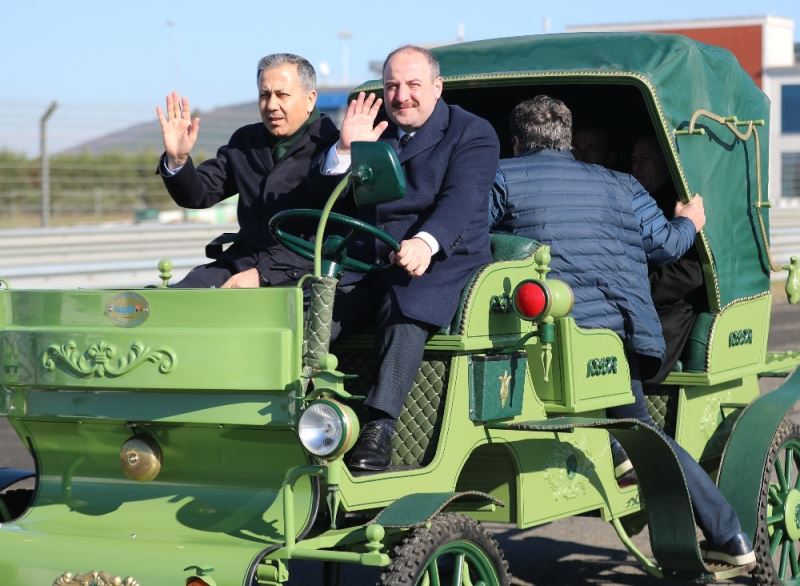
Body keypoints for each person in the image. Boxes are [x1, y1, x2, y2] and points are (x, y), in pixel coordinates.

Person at [489, 95, 755, 568]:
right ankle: (730, 535)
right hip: (610, 342)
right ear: (569, 142)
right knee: (645, 432)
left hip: (533, 343)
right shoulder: (622, 185)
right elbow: (669, 246)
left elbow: (470, 243)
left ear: (515, 141)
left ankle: (616, 448)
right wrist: (689, 220)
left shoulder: (502, 178)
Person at [321, 45, 500, 471]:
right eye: (392, 86)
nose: (402, 96)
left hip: (442, 257)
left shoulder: (471, 132)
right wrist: (346, 149)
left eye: (413, 85)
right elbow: (329, 200)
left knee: (404, 308)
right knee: (316, 313)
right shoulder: (372, 131)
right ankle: (295, 412)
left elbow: (463, 199)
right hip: (371, 256)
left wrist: (425, 242)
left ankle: (379, 426)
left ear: (437, 88)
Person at [155, 53, 339, 288]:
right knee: (183, 299)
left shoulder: (335, 148)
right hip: (242, 259)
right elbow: (199, 194)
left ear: (310, 99)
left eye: (282, 94)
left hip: (304, 269)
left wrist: (263, 275)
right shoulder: (245, 142)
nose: (271, 105)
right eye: (264, 95)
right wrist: (178, 159)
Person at [632, 134, 707, 383]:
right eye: (634, 160)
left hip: (667, 312)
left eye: (645, 159)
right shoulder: (633, 201)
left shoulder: (680, 206)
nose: (637, 167)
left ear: (666, 164)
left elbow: (690, 273)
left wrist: (635, 287)